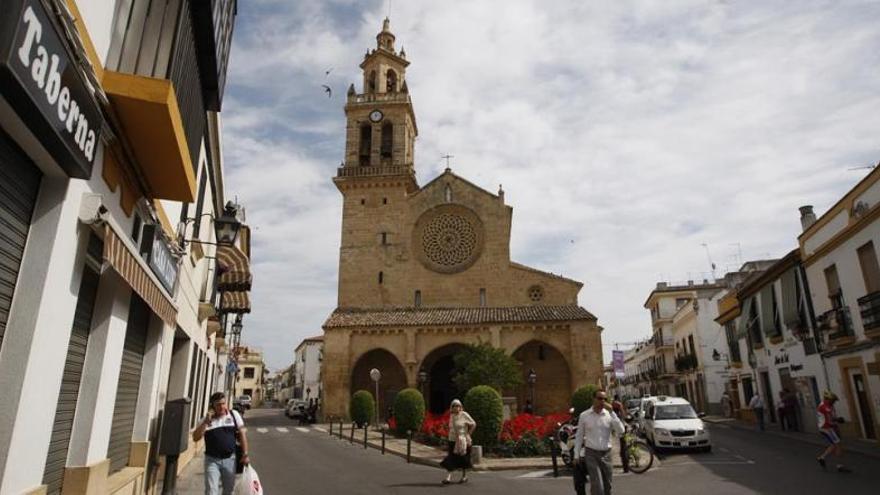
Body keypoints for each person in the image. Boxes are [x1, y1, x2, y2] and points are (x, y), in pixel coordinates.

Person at [192, 392, 250, 495]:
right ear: (212, 406)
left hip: (230, 460)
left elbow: (242, 434)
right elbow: (195, 438)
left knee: (229, 491)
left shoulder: (234, 415)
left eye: (223, 403)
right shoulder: (206, 420)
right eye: (218, 404)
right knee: (211, 491)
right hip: (212, 460)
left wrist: (245, 454)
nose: (221, 407)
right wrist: (205, 422)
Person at [573, 390, 624, 495]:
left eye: (605, 399)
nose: (602, 401)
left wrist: (613, 413)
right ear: (594, 399)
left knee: (607, 486)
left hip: (607, 454)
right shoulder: (584, 415)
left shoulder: (609, 415)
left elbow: (621, 431)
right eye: (600, 398)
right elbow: (579, 436)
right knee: (597, 486)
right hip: (591, 454)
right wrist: (576, 455)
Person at [440, 399, 476, 484]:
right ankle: (448, 478)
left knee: (463, 459)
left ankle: (464, 476)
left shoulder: (464, 415)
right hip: (452, 440)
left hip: (462, 441)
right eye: (454, 406)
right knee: (451, 458)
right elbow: (450, 428)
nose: (456, 407)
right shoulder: (451, 416)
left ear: (460, 407)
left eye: (458, 406)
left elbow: (473, 424)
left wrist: (468, 434)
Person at [816, 391, 851, 473]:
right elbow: (830, 419)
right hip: (827, 428)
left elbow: (830, 417)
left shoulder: (825, 404)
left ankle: (821, 458)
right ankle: (840, 466)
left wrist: (836, 421)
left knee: (833, 445)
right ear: (828, 399)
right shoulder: (825, 406)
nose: (834, 402)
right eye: (833, 400)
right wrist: (838, 420)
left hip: (826, 427)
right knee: (838, 445)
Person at [610, 395, 629, 473]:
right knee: (624, 445)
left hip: (614, 425)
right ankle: (626, 467)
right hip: (619, 424)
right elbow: (623, 414)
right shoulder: (618, 404)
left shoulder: (612, 404)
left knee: (622, 445)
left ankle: (623, 457)